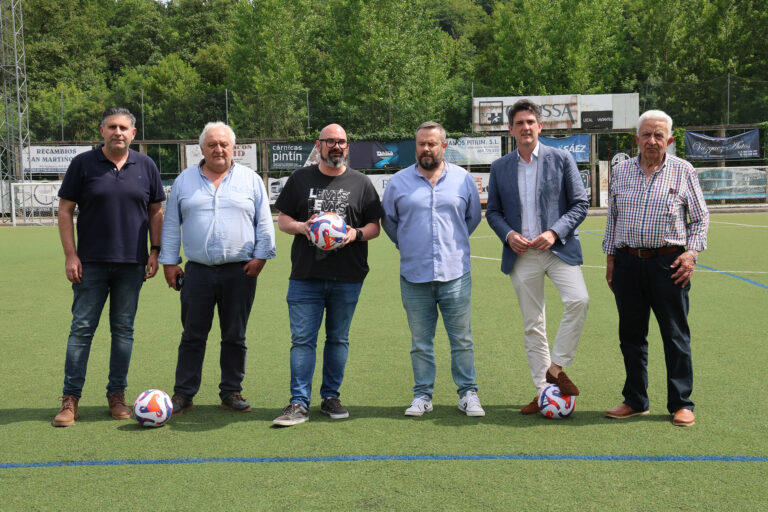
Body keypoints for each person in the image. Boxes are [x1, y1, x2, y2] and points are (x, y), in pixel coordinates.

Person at [53, 107, 165, 427]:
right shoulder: (83, 164)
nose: (118, 132)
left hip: (132, 265)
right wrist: (71, 255)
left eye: (124, 127)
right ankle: (70, 398)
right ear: (101, 130)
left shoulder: (146, 166)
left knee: (123, 331)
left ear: (133, 133)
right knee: (82, 330)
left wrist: (155, 250)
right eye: (112, 126)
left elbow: (156, 211)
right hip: (90, 264)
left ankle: (117, 395)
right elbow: (65, 211)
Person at [159, 122, 275, 415]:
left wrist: (261, 257)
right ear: (202, 148)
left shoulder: (250, 180)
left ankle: (231, 391)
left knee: (235, 334)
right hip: (197, 272)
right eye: (212, 144)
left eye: (223, 144)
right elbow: (171, 225)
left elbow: (264, 222)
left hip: (240, 270)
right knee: (192, 335)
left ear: (233, 147)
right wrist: (170, 262)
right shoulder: (184, 181)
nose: (218, 149)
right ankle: (184, 393)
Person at [272, 123, 382, 427]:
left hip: (348, 276)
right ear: (318, 146)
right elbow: (283, 220)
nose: (336, 146)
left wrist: (354, 234)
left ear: (348, 147)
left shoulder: (361, 183)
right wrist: (303, 228)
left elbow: (375, 226)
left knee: (337, 340)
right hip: (306, 275)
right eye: (330, 141)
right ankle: (298, 403)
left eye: (342, 142)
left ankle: (331, 397)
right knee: (303, 340)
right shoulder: (300, 178)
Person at [603, 110, 709, 427]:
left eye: (658, 135)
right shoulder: (621, 172)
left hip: (669, 264)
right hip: (627, 263)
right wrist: (610, 261)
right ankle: (635, 400)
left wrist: (692, 253)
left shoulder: (684, 171)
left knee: (675, 336)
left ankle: (681, 403)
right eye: (646, 134)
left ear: (670, 140)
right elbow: (613, 220)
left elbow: (701, 219)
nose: (652, 140)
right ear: (636, 139)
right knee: (631, 336)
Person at [486, 99, 590, 414]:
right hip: (523, 255)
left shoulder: (562, 159)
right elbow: (493, 212)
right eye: (520, 123)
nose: (526, 127)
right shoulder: (500, 166)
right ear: (511, 129)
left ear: (540, 126)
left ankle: (556, 368)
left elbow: (580, 204)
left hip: (557, 249)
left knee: (579, 300)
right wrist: (509, 235)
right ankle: (544, 391)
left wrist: (555, 232)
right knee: (534, 324)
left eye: (531, 122)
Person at [382, 121, 485, 417]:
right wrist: (410, 244)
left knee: (462, 339)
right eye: (421, 144)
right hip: (414, 276)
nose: (426, 149)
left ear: (444, 146)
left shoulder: (464, 180)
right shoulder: (399, 182)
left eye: (432, 143)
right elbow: (389, 222)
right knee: (420, 343)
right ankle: (422, 395)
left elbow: (472, 218)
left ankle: (468, 394)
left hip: (455, 275)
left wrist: (451, 247)